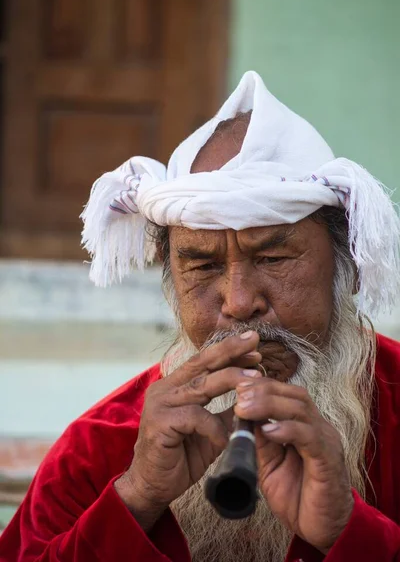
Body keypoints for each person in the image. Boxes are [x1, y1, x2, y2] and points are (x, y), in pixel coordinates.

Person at [1, 71, 400, 562]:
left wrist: (348, 530)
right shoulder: (102, 446)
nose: (237, 302)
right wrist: (137, 498)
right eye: (203, 265)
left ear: (347, 268)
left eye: (273, 259)